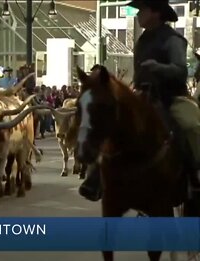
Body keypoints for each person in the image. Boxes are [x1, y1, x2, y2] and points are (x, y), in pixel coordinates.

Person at [79, 0, 200, 201]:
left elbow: (181, 71)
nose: (137, 14)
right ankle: (96, 176)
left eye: (141, 9)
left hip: (170, 97)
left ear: (155, 12)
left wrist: (158, 67)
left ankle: (195, 174)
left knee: (191, 125)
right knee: (110, 122)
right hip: (142, 96)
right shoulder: (143, 39)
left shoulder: (173, 39)